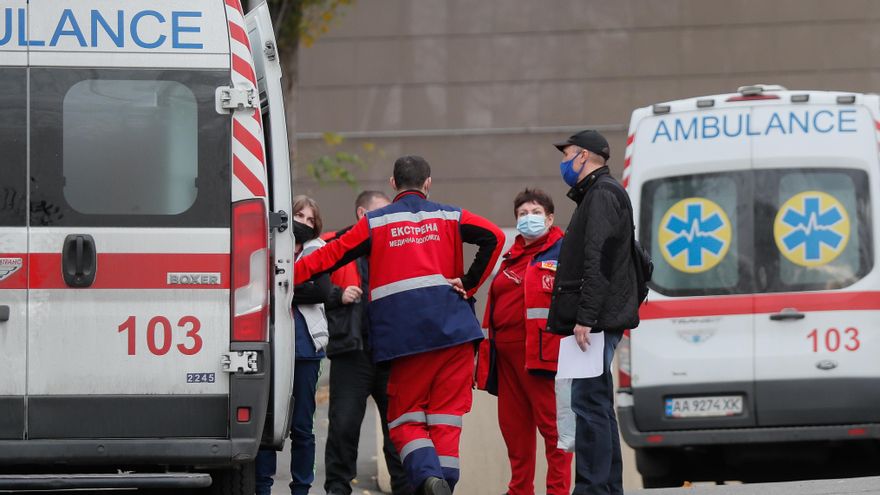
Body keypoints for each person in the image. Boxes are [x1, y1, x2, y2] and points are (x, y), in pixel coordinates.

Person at [294, 155, 505, 495]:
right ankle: (443, 483)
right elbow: (494, 236)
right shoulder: (450, 215)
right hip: (456, 333)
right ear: (428, 182)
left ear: (393, 184)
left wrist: (285, 275)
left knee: (405, 418)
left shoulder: (377, 223)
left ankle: (428, 477)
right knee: (446, 419)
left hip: (408, 340)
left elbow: (328, 256)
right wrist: (469, 282)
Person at [545, 130, 639, 495]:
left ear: (583, 156)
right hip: (599, 315)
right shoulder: (600, 193)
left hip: (595, 319)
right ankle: (605, 486)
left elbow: (598, 257)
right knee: (595, 403)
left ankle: (594, 488)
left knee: (588, 404)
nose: (564, 162)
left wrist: (585, 316)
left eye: (567, 154)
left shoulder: (601, 194)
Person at [475, 188, 573, 495]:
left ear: (550, 217)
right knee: (514, 432)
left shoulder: (565, 252)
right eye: (522, 214)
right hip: (506, 361)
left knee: (553, 432)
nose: (528, 218)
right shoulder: (509, 257)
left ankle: (557, 491)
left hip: (543, 358)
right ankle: (520, 490)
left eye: (535, 213)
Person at [322, 190, 414, 495]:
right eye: (380, 212)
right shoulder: (332, 245)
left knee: (399, 432)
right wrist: (337, 295)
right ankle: (337, 489)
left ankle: (404, 489)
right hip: (352, 352)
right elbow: (307, 287)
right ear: (362, 214)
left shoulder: (399, 246)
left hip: (392, 354)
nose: (388, 219)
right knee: (344, 427)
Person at [256, 195, 337, 495]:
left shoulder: (318, 251)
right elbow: (259, 288)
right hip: (271, 345)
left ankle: (301, 489)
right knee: (267, 424)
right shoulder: (268, 248)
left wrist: (285, 291)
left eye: (309, 220)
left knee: (303, 426)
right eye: (298, 216)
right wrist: (295, 289)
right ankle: (261, 487)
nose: (303, 223)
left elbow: (323, 292)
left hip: (305, 348)